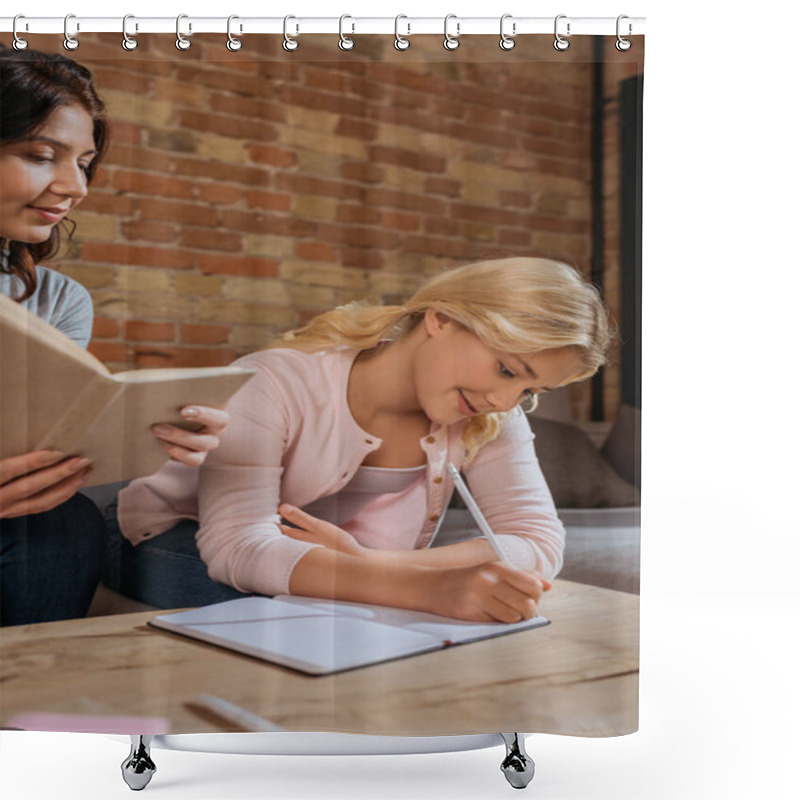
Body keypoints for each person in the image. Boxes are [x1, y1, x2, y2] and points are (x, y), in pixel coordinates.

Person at [110, 256, 611, 623]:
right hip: (171, 538)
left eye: (529, 391)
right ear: (441, 318)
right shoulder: (275, 381)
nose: (505, 400)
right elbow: (238, 545)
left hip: (321, 562)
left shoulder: (489, 412)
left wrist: (379, 565)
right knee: (310, 624)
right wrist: (421, 587)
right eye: (507, 369)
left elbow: (538, 541)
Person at [0, 45, 228, 626]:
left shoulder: (55, 300)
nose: (73, 186)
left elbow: (40, 431)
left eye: (83, 163)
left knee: (62, 519)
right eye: (41, 155)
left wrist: (154, 433)